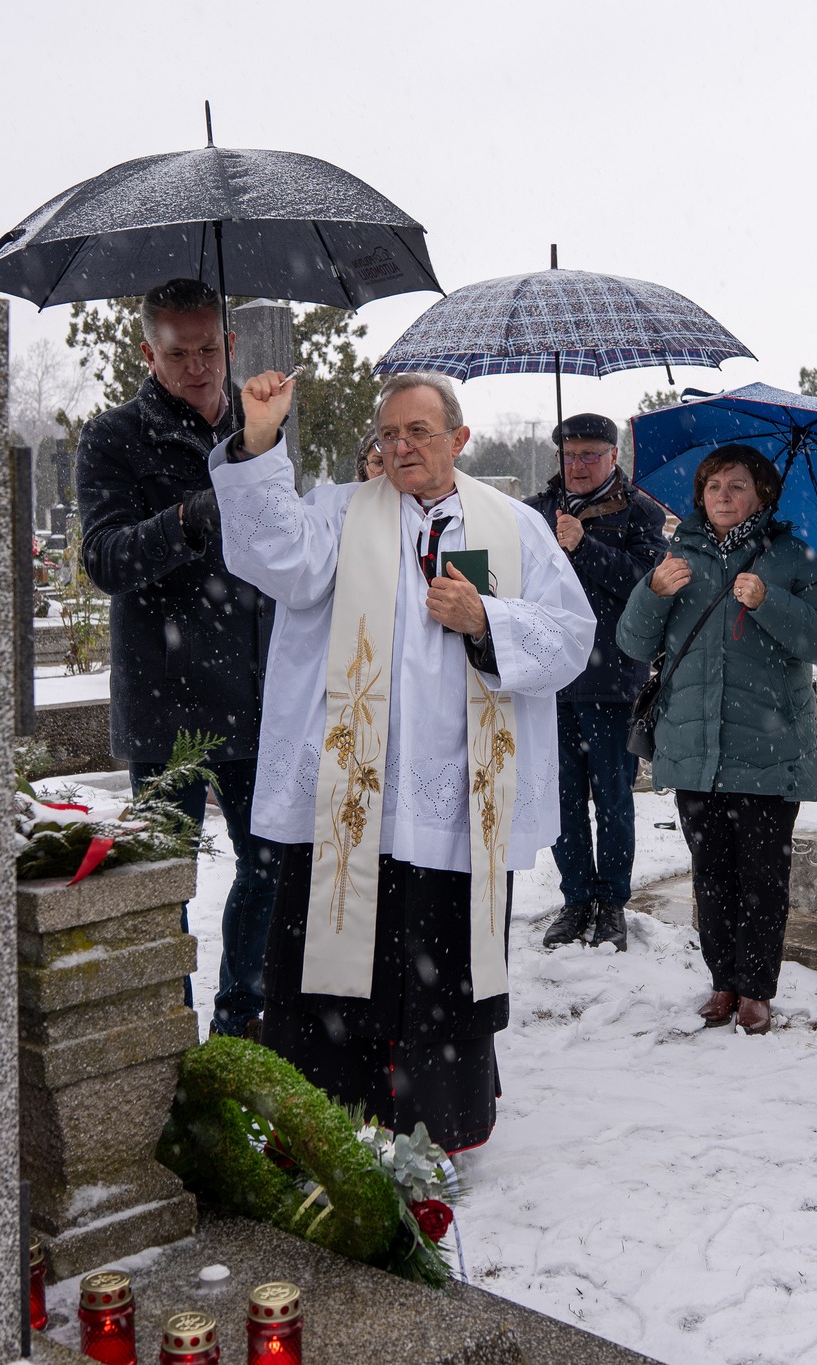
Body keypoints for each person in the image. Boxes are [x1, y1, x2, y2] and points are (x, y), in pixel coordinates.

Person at [209, 369, 594, 1151]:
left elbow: (570, 637)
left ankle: (436, 1123)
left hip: (456, 799)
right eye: (388, 433)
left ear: (459, 438)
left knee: (440, 970)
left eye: (419, 431)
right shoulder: (341, 513)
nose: (400, 446)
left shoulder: (514, 527)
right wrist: (259, 437)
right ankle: (329, 1119)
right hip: (351, 795)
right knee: (331, 967)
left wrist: (487, 617)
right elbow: (272, 554)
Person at [77, 277, 279, 1041]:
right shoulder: (112, 437)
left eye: (208, 350)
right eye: (177, 354)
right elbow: (104, 558)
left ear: (230, 343)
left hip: (257, 689)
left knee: (270, 863)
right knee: (165, 882)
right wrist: (189, 518)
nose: (196, 368)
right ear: (147, 354)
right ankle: (168, 1034)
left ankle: (239, 1019)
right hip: (168, 700)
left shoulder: (259, 429)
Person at [616, 444, 817, 1035]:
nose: (722, 496)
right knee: (711, 876)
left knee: (763, 880)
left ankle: (756, 990)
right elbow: (633, 643)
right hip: (694, 748)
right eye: (713, 486)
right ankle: (722, 981)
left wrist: (770, 601)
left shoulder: (791, 556)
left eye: (737, 485)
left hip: (769, 750)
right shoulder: (677, 556)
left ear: (762, 494)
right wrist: (653, 591)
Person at [524, 413, 669, 951]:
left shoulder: (641, 513)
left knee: (612, 799)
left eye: (590, 455)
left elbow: (645, 586)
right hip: (551, 682)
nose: (578, 466)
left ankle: (612, 902)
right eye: (569, 455)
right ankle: (576, 898)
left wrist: (585, 546)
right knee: (562, 799)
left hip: (611, 680)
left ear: (613, 456)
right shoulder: (536, 512)